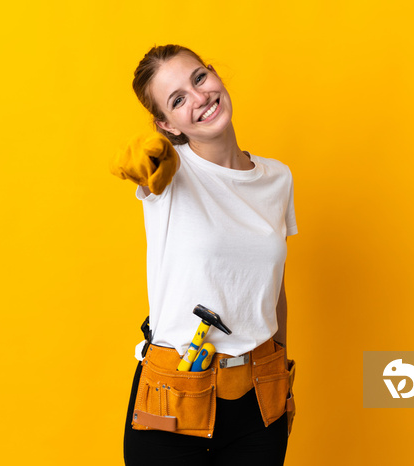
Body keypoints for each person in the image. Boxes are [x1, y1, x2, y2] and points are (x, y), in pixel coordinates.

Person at [110, 44, 298, 466]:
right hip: (174, 395)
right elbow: (145, 169)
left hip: (258, 391)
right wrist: (143, 158)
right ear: (166, 123)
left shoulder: (278, 177)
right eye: (177, 100)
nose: (199, 98)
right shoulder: (169, 173)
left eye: (199, 79)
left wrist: (280, 370)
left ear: (215, 75)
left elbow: (274, 284)